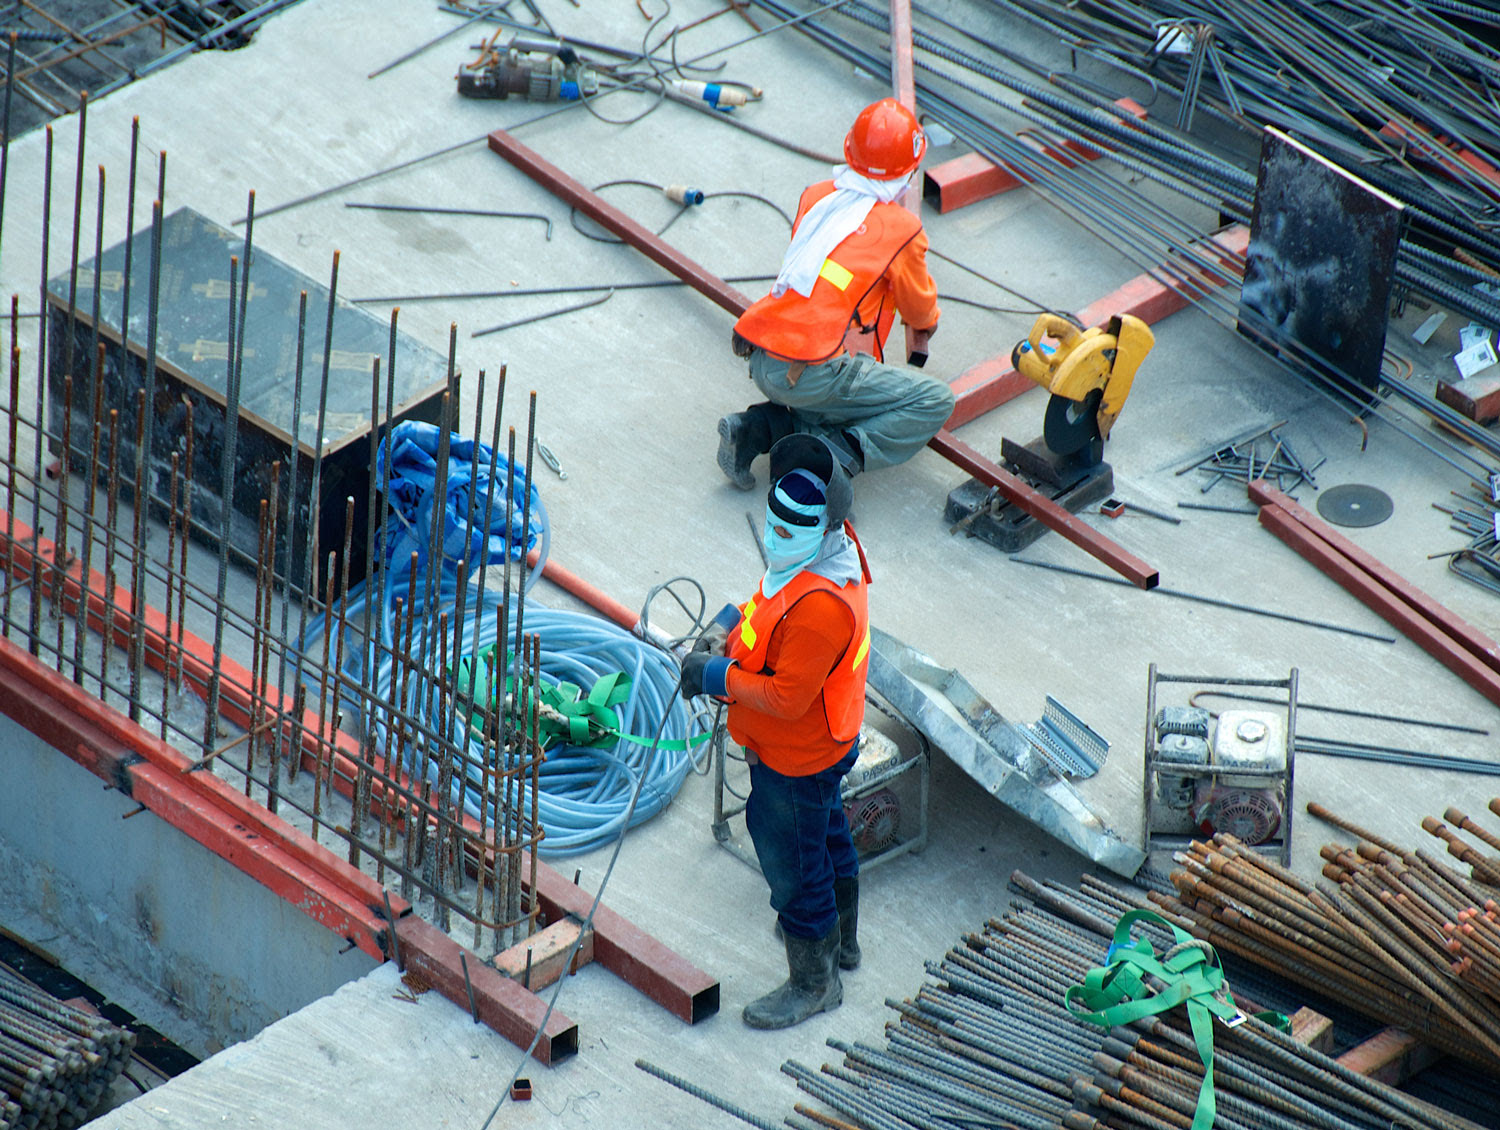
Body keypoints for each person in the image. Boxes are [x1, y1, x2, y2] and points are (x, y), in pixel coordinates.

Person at [682, 434, 872, 1029]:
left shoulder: (821, 607)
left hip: (799, 754)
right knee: (827, 834)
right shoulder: (822, 556)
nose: (775, 540)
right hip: (824, 743)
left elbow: (788, 698)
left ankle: (815, 983)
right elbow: (769, 605)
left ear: (824, 526)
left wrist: (717, 673)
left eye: (790, 532)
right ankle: (841, 944)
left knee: (795, 865)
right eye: (773, 525)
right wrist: (729, 625)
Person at [717, 97, 955, 491]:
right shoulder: (902, 228)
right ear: (909, 171)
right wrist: (926, 323)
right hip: (812, 371)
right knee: (933, 400)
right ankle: (833, 458)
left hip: (764, 355)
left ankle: (755, 430)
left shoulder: (818, 196)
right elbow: (918, 309)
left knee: (836, 394)